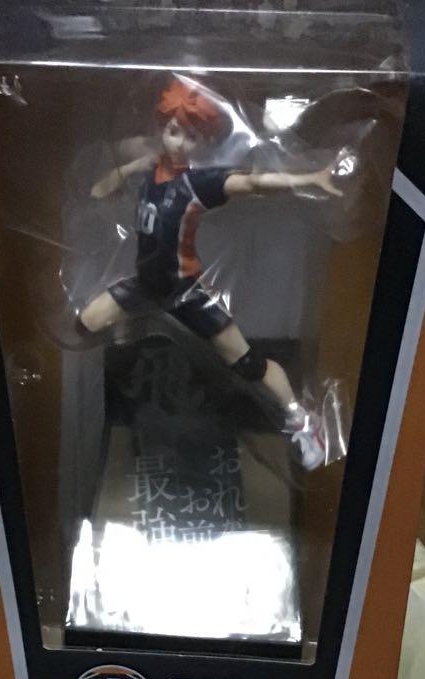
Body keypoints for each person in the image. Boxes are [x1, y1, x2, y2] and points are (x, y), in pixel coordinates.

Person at [80, 77, 344, 470]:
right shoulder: (149, 173)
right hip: (146, 286)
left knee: (248, 364)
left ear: (202, 143)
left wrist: (308, 179)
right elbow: (98, 192)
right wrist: (135, 162)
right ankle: (131, 338)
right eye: (173, 131)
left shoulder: (197, 183)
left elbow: (252, 181)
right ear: (162, 128)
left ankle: (303, 422)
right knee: (86, 323)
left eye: (191, 137)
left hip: (185, 291)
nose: (179, 143)